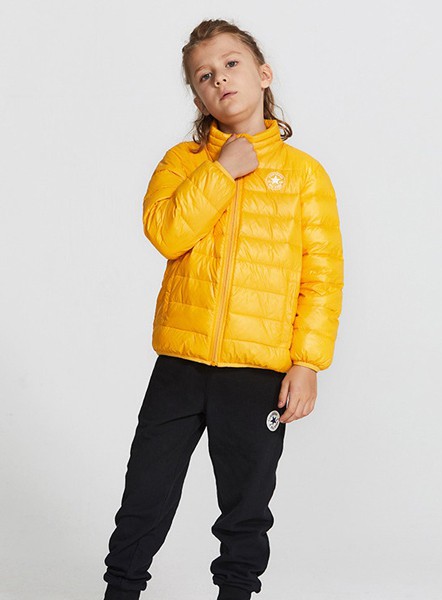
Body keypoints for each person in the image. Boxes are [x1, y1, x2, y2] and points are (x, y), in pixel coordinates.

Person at [102, 18, 344, 600]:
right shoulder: (182, 162)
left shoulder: (305, 176)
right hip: (180, 364)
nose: (220, 79)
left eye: (231, 64)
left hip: (257, 373)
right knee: (144, 495)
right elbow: (166, 233)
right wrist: (220, 171)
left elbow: (322, 279)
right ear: (197, 96)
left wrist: (307, 363)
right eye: (204, 76)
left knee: (246, 505)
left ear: (263, 74)